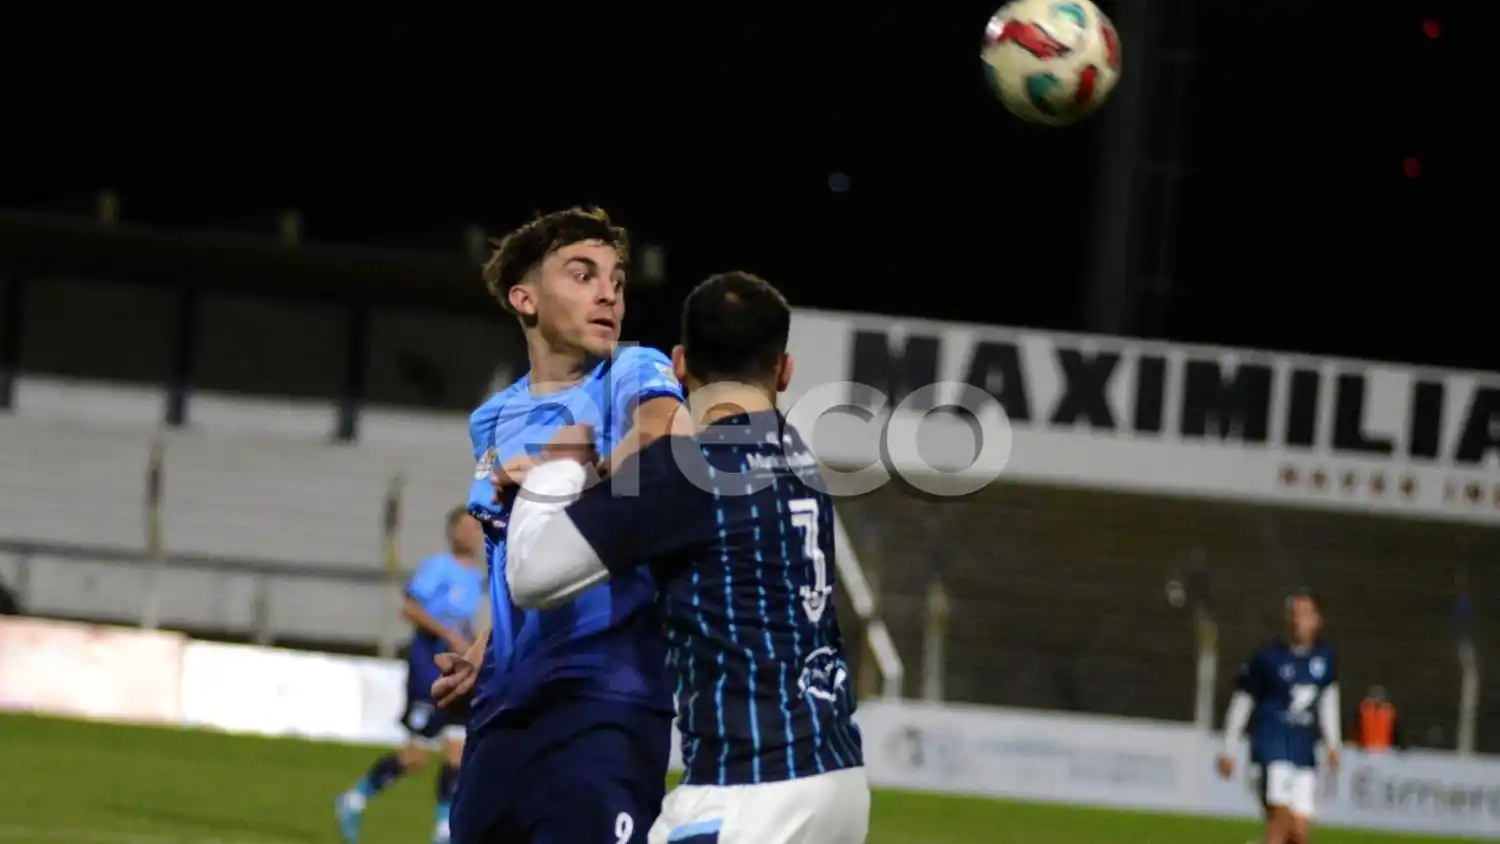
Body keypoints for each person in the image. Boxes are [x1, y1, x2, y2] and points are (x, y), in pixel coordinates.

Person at [505, 272, 869, 844]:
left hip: (746, 793)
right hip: (839, 783)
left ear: (679, 363)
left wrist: (561, 466)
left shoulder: (686, 473)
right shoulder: (801, 459)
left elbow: (531, 575)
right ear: (785, 369)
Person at [434, 207, 685, 844]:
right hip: (502, 715)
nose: (608, 293)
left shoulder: (629, 372)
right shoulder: (491, 420)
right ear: (526, 299)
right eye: (583, 275)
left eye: (618, 281)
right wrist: (482, 658)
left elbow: (667, 438)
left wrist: (575, 472)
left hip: (602, 704)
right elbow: (511, 558)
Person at [336, 507, 487, 844]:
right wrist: (448, 634)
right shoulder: (438, 567)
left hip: (457, 670)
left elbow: (462, 625)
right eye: (463, 528)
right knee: (416, 757)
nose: (470, 534)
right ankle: (354, 799)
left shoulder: (476, 578)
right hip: (427, 666)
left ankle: (443, 829)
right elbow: (410, 608)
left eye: (474, 528)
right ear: (452, 533)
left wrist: (472, 647)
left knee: (458, 753)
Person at [1217, 592, 1341, 844]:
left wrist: (1333, 744)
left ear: (1318, 620)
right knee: (1281, 823)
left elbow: (1329, 702)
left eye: (1305, 615)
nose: (1299, 621)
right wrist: (1228, 747)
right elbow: (1243, 702)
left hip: (1303, 753)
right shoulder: (1267, 658)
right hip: (1270, 748)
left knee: (1300, 836)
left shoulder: (1325, 660)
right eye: (1294, 615)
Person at [1355, 685, 1404, 752]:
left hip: (1384, 750)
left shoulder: (1388, 711)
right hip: (1367, 750)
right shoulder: (1364, 710)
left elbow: (1396, 731)